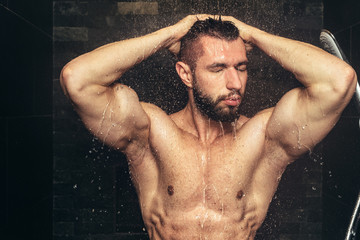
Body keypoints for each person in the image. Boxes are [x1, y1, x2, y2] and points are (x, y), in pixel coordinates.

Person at [60, 15, 357, 239]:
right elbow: (77, 79)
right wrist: (170, 36)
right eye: (218, 68)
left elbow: (339, 80)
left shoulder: (261, 137)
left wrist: (252, 34)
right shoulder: (152, 133)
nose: (235, 83)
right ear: (186, 74)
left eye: (241, 67)